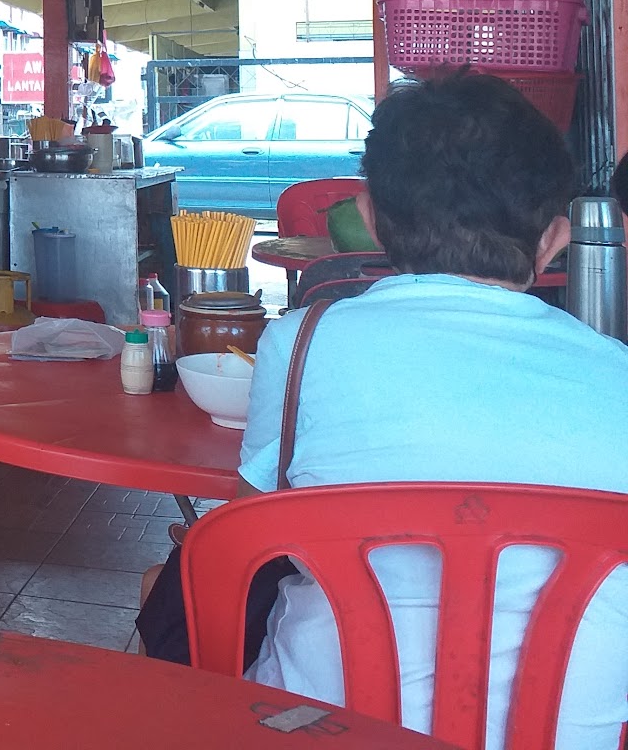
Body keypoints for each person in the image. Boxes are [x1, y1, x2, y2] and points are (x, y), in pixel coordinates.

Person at [152, 74, 628, 748]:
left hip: (316, 729)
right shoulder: (619, 374)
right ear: (554, 239)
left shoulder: (303, 342)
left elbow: (254, 534)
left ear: (368, 217)